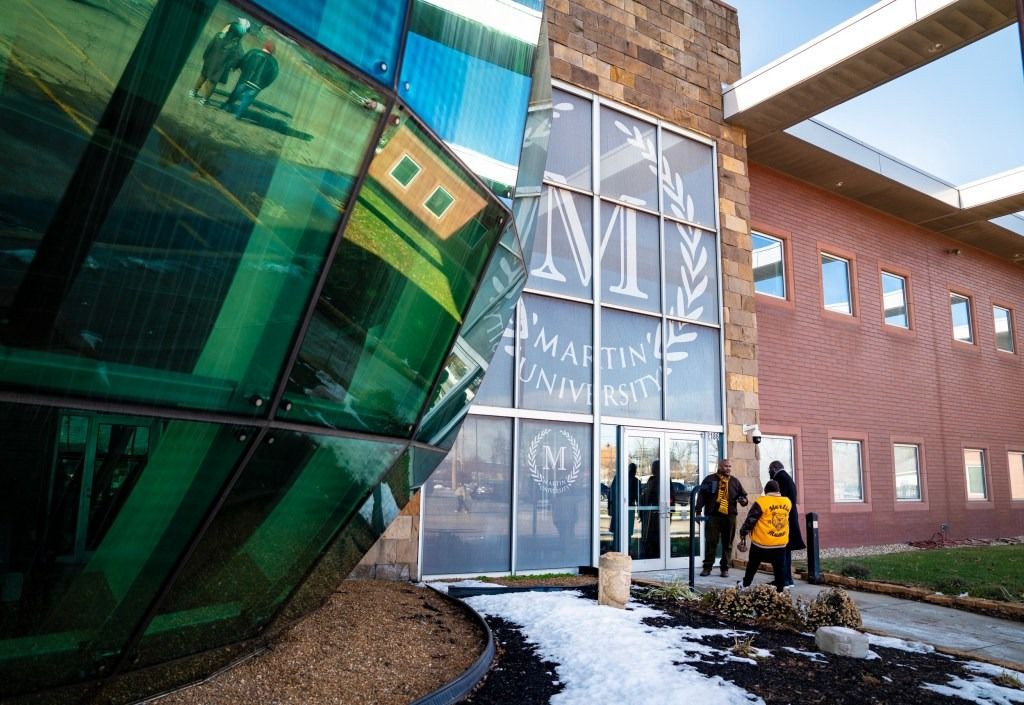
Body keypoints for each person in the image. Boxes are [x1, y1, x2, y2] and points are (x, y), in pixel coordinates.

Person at [694, 459, 749, 577]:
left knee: (727, 544)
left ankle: (725, 568)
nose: (728, 468)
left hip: (729, 517)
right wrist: (698, 511)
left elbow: (744, 497)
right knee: (711, 542)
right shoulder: (710, 479)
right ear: (719, 467)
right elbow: (701, 496)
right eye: (725, 466)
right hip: (713, 516)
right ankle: (707, 567)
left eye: (729, 466)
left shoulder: (735, 481)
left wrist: (744, 501)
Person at [738, 480, 792, 591]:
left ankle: (745, 584)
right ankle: (780, 590)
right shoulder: (787, 502)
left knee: (753, 565)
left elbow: (751, 520)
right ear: (778, 490)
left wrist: (743, 532)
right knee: (779, 568)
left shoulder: (761, 502)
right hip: (780, 543)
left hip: (762, 543)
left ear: (766, 490)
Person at [191, 19, 248, 105]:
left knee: (203, 76)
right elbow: (238, 58)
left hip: (209, 60)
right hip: (221, 66)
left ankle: (193, 92)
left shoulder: (218, 36)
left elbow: (209, 47)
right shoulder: (236, 45)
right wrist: (229, 66)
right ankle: (204, 100)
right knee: (212, 82)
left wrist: (205, 57)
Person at [768, 460, 805, 586]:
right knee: (785, 551)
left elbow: (777, 500)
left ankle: (783, 580)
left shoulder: (780, 479)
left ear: (774, 469)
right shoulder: (788, 478)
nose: (769, 473)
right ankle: (787, 579)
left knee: (780, 552)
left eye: (769, 470)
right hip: (789, 519)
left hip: (782, 521)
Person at [222, 41, 280, 119]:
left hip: (245, 79)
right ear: (272, 51)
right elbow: (272, 77)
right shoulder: (274, 62)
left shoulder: (253, 52)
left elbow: (243, 61)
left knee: (235, 94)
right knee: (247, 101)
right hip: (257, 85)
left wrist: (240, 70)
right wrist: (263, 86)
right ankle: (238, 115)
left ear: (264, 46)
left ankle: (226, 107)